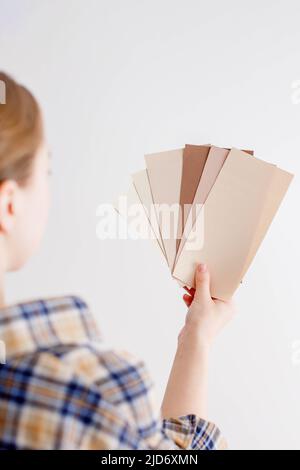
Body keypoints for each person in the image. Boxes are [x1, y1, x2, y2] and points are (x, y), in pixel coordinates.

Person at [0, 72, 235, 450]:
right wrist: (198, 337)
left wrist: (196, 334)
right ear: (8, 204)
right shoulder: (85, 390)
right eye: (46, 171)